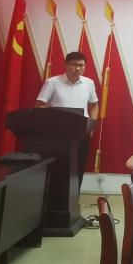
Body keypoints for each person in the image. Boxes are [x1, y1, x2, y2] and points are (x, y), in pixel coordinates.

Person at [36, 51, 99, 182]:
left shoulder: (89, 83)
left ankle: (74, 195)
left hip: (82, 132)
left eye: (81, 65)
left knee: (78, 168)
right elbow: (40, 105)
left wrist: (92, 125)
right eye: (74, 64)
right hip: (58, 133)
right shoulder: (52, 82)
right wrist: (51, 122)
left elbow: (94, 105)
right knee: (57, 168)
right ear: (66, 65)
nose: (78, 68)